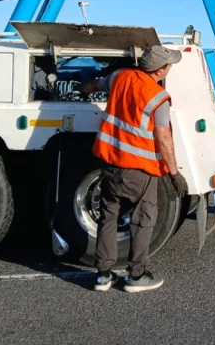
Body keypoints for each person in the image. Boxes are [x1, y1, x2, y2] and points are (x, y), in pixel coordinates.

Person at [80, 45, 189, 292]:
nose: (170, 68)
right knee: (142, 220)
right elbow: (163, 138)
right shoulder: (157, 97)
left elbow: (97, 84)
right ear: (160, 71)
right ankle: (136, 276)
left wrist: (82, 89)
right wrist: (174, 174)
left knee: (108, 216)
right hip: (139, 170)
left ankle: (103, 276)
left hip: (110, 163)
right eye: (169, 65)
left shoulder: (120, 77)